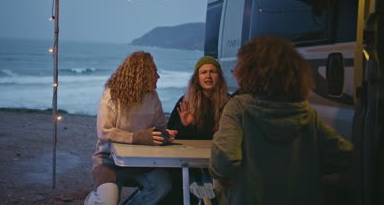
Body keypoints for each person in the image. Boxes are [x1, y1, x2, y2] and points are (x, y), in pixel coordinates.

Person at [210, 36, 353, 205]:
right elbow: (343, 156)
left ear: (248, 71)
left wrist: (222, 176)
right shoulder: (306, 112)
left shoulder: (238, 108)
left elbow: (225, 160)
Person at [84, 51, 172, 205]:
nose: (158, 76)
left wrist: (164, 134)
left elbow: (160, 127)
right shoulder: (112, 95)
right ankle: (92, 200)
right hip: (109, 161)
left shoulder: (152, 96)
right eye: (154, 72)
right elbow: (104, 131)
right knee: (108, 201)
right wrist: (137, 137)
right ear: (141, 74)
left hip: (142, 162)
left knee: (163, 185)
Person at [164, 56, 229, 204]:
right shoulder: (185, 102)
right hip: (190, 163)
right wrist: (185, 125)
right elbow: (172, 135)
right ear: (197, 78)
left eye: (213, 71)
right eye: (203, 72)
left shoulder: (229, 102)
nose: (208, 76)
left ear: (219, 76)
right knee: (200, 187)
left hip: (216, 161)